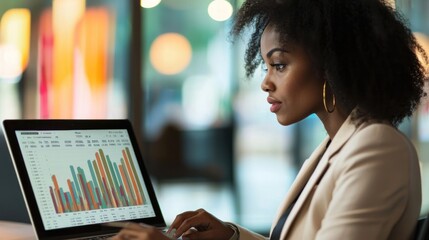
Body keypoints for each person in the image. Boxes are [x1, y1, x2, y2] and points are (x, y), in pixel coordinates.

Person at [112, 0, 427, 239]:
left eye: (279, 64)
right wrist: (231, 236)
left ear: (331, 65)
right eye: (265, 66)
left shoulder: (377, 147)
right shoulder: (336, 146)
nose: (265, 82)